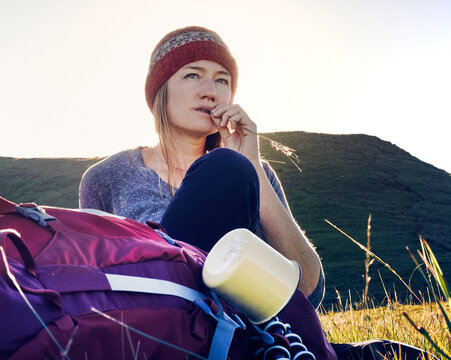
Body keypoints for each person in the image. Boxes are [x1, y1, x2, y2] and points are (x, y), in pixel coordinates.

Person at [79, 26, 433, 360]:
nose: (211, 90)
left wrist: (250, 163)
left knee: (394, 353)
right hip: (162, 335)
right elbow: (95, 289)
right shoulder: (106, 178)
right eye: (193, 74)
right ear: (160, 89)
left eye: (223, 80)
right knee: (223, 170)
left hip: (252, 338)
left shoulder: (253, 172)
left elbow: (309, 289)